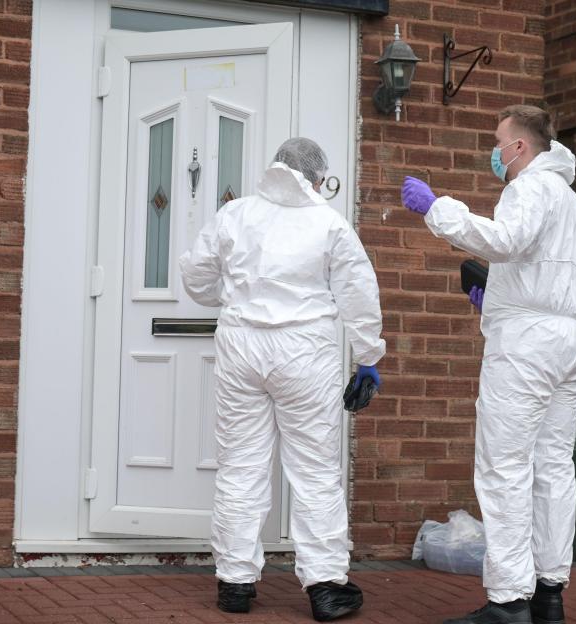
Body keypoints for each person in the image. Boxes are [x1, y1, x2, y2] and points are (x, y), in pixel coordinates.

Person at [401, 105, 576, 624]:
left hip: (526, 345)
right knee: (553, 469)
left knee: (505, 467)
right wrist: (498, 299)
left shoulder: (528, 187)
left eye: (498, 142)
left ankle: (509, 602)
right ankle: (550, 594)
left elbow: (505, 241)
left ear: (520, 148)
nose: (495, 152)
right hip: (567, 338)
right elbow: (542, 269)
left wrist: (437, 208)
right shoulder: (574, 205)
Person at [179, 137, 385, 622]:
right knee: (314, 470)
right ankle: (327, 588)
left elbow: (195, 276)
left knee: (239, 464)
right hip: (304, 349)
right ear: (317, 179)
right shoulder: (328, 223)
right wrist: (368, 356)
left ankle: (234, 583)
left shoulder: (236, 214)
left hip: (240, 346)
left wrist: (231, 300)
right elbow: (358, 291)